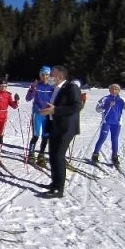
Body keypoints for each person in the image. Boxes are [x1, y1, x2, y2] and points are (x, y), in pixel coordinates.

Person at [39, 65, 82, 198]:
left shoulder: (71, 87)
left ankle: (59, 189)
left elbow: (77, 106)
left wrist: (55, 110)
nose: (49, 77)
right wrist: (49, 111)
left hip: (66, 128)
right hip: (54, 126)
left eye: (52, 74)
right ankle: (54, 183)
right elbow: (55, 106)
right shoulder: (56, 88)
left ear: (59, 76)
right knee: (52, 155)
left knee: (58, 156)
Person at [91, 84, 125, 165]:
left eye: (116, 89)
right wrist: (107, 106)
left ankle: (114, 157)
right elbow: (97, 109)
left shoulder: (121, 100)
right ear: (109, 90)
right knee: (102, 138)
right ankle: (95, 154)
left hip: (117, 124)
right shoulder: (105, 99)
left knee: (114, 139)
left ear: (118, 91)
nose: (114, 91)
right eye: (112, 89)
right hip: (106, 122)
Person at [25, 66, 54, 166]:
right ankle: (31, 153)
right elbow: (28, 98)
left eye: (47, 74)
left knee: (45, 136)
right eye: (43, 74)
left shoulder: (52, 87)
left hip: (47, 114)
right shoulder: (37, 86)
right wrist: (32, 89)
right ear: (40, 75)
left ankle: (41, 154)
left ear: (49, 75)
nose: (45, 76)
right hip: (37, 114)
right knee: (36, 135)